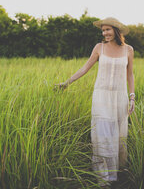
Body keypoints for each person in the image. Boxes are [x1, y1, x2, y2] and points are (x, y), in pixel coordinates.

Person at [54, 17, 135, 186]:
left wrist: (132, 96)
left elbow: (130, 75)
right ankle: (103, 178)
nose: (104, 33)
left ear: (116, 30)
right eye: (103, 30)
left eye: (107, 29)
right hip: (101, 98)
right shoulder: (99, 48)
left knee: (118, 137)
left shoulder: (128, 50)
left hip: (120, 98)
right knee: (103, 135)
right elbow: (85, 67)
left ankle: (118, 175)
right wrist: (66, 83)